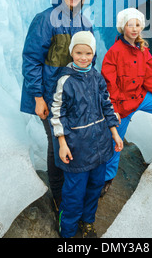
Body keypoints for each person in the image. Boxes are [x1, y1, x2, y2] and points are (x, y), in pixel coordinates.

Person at [20, 0, 94, 213]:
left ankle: (71, 191)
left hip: (74, 98)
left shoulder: (85, 23)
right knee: (56, 143)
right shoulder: (45, 20)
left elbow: (90, 62)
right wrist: (38, 97)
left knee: (71, 140)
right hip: (50, 97)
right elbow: (31, 60)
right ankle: (59, 196)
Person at [49, 31, 123, 238]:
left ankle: (88, 222)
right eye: (78, 52)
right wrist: (62, 143)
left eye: (88, 53)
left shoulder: (97, 77)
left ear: (93, 54)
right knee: (74, 194)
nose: (83, 57)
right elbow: (57, 113)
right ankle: (68, 232)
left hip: (100, 146)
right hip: (77, 148)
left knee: (94, 187)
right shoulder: (65, 81)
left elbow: (107, 106)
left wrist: (115, 134)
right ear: (72, 52)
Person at [101, 7, 152, 194]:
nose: (135, 29)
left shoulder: (143, 49)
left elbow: (150, 76)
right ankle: (107, 177)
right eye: (130, 25)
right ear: (123, 28)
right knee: (115, 142)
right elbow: (109, 85)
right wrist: (114, 110)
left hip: (141, 97)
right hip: (123, 106)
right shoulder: (114, 53)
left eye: (138, 24)